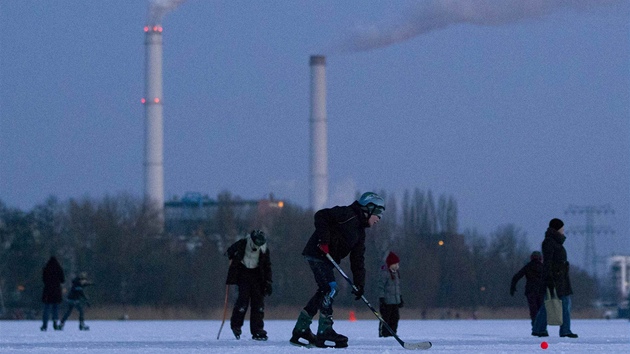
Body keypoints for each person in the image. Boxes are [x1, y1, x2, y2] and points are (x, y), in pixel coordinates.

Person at [289, 192, 385, 348]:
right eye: (378, 214)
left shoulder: (360, 233)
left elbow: (358, 259)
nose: (378, 219)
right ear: (369, 208)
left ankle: (301, 329)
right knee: (331, 288)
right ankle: (324, 331)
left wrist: (359, 283)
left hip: (326, 260)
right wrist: (324, 240)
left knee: (324, 290)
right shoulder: (347, 214)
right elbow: (321, 216)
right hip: (317, 253)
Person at [532, 218, 578, 338]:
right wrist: (549, 279)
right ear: (557, 229)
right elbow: (547, 262)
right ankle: (544, 329)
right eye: (562, 228)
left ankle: (558, 330)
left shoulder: (555, 242)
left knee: (559, 304)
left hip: (561, 278)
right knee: (551, 304)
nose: (563, 230)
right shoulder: (549, 242)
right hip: (555, 279)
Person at [225, 230, 272, 341]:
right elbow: (229, 252)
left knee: (258, 303)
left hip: (257, 275)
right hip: (243, 273)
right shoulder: (243, 243)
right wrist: (232, 255)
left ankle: (258, 331)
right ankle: (236, 326)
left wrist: (268, 282)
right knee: (242, 301)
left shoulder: (264, 250)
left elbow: (267, 266)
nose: (258, 245)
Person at [510, 251, 545, 330]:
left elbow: (516, 277)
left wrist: (512, 287)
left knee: (533, 310)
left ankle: (535, 326)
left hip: (530, 291)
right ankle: (542, 328)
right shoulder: (543, 267)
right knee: (541, 310)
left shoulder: (528, 267)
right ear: (540, 258)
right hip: (541, 291)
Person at [377, 251, 403, 338]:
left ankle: (392, 332)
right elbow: (381, 287)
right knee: (386, 318)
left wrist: (400, 298)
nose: (397, 266)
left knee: (395, 318)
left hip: (395, 301)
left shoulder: (396, 274)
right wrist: (381, 298)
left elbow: (397, 288)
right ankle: (384, 333)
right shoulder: (385, 273)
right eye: (395, 264)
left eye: (397, 264)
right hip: (387, 301)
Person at [41, 256, 65, 331]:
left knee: (46, 308)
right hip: (56, 291)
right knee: (55, 308)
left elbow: (44, 279)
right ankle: (55, 323)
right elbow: (62, 280)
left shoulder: (46, 269)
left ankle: (45, 325)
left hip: (48, 290)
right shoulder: (59, 269)